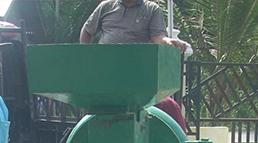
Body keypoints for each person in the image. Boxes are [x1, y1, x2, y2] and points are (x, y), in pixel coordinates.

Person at [80, 0, 189, 134]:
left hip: (137, 76)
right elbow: (87, 30)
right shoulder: (106, 6)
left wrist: (168, 41)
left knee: (169, 106)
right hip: (106, 74)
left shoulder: (151, 9)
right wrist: (86, 56)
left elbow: (158, 37)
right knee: (96, 108)